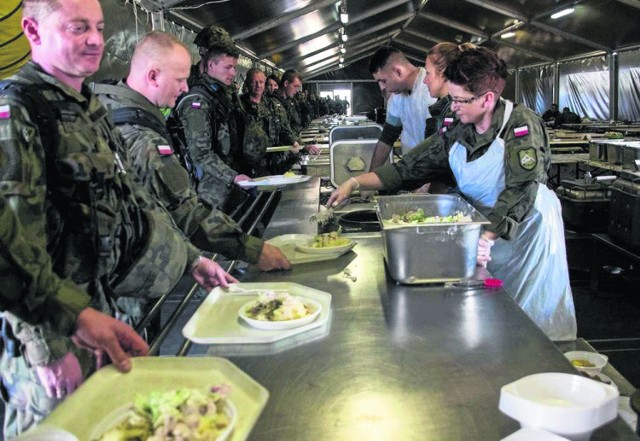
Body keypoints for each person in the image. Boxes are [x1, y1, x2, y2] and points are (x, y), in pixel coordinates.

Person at [0, 0, 236, 435]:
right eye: (77, 27)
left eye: (99, 26)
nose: (94, 39)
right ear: (32, 31)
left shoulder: (88, 107)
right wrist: (46, 350)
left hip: (101, 315)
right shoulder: (19, 112)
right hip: (55, 331)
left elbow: (133, 200)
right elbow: (11, 247)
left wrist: (190, 258)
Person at [328, 47, 577, 342]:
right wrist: (355, 183)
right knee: (495, 317)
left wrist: (488, 237)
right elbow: (412, 166)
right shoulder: (458, 126)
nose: (453, 106)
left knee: (532, 322)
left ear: (487, 98)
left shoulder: (520, 126)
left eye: (460, 100)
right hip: (486, 231)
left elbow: (521, 189)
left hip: (526, 232)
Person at [93, 34, 290, 272]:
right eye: (180, 80)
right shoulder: (143, 139)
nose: (185, 88)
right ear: (153, 75)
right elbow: (185, 212)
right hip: (129, 272)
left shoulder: (107, 105)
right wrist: (253, 250)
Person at [0, 194, 148, 374]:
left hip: (78, 308)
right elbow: (14, 249)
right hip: (49, 326)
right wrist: (48, 351)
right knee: (66, 399)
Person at [174, 25, 250, 213]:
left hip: (228, 179)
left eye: (234, 67)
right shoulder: (197, 99)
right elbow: (200, 153)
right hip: (209, 189)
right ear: (209, 63)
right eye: (228, 67)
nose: (233, 73)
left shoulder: (223, 93)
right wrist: (232, 176)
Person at [368, 46, 436, 171]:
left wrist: (427, 186)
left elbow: (434, 144)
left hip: (435, 173)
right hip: (415, 171)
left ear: (398, 71)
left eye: (383, 80)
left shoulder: (430, 91)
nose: (382, 87)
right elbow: (386, 139)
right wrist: (370, 178)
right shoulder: (397, 99)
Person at [240, 67, 303, 176]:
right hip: (247, 167)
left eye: (261, 82)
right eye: (254, 82)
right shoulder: (239, 106)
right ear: (246, 83)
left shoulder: (273, 105)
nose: (258, 85)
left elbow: (284, 130)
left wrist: (292, 141)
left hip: (273, 164)